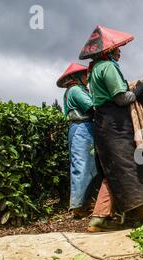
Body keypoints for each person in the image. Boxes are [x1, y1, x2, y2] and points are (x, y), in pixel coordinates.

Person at [79, 25, 143, 230]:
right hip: (115, 125)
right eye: (117, 48)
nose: (120, 51)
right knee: (130, 167)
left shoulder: (94, 69)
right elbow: (121, 98)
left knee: (113, 171)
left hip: (104, 125)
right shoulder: (108, 67)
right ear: (108, 51)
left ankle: (99, 218)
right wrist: (138, 91)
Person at [56, 63, 99, 218]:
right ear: (76, 77)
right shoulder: (75, 90)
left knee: (90, 166)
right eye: (84, 75)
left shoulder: (79, 90)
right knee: (82, 166)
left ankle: (85, 203)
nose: (87, 78)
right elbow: (91, 106)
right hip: (81, 128)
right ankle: (78, 206)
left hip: (85, 128)